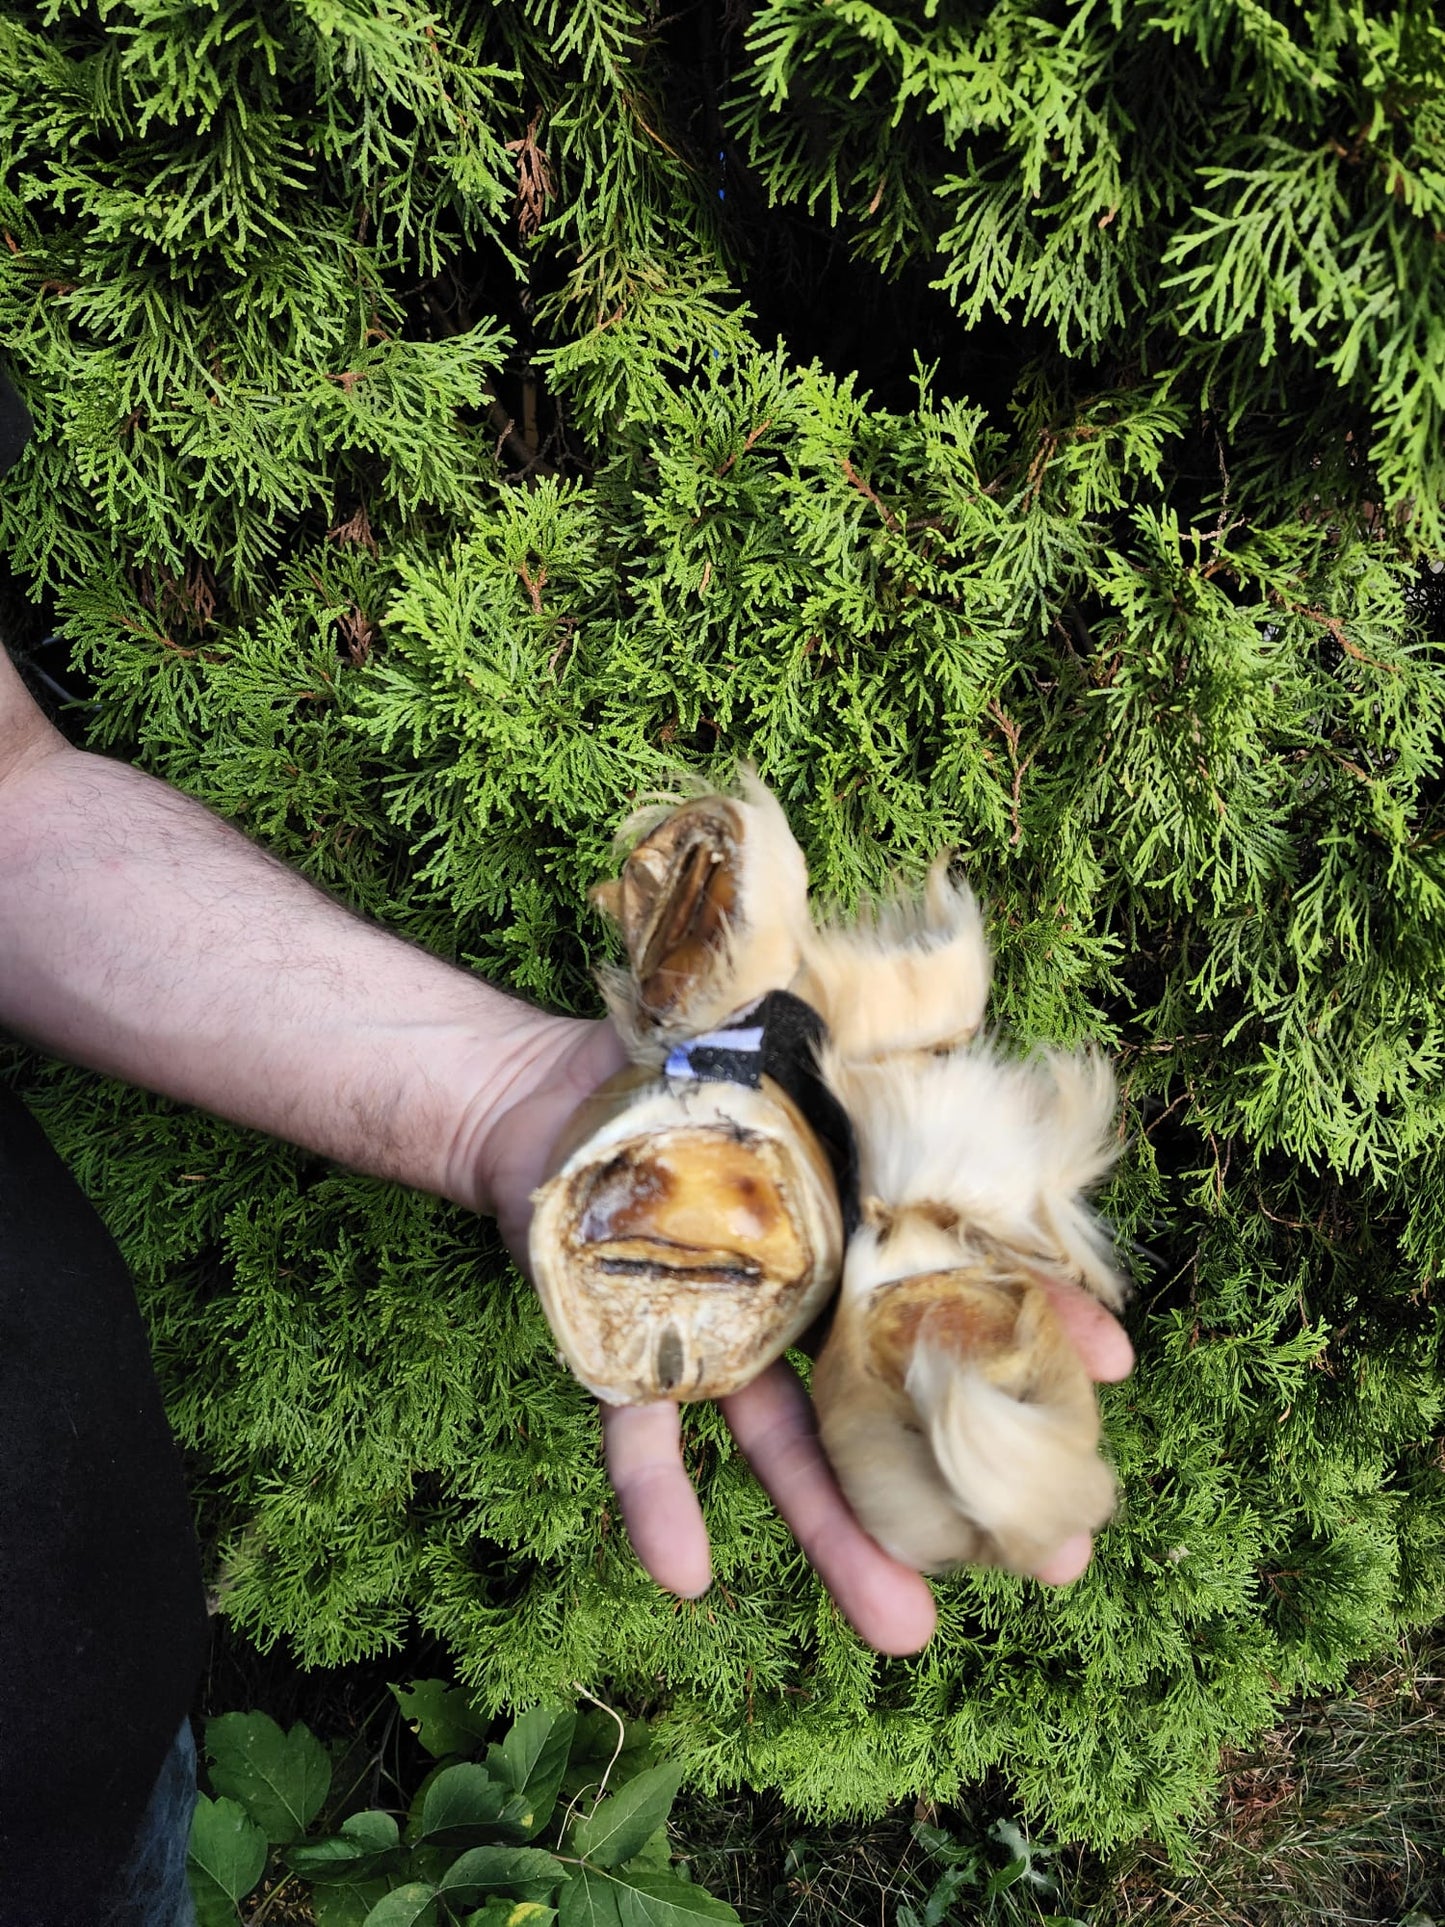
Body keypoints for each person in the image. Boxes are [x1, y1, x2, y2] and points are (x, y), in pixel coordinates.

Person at [0, 372, 1133, 1923]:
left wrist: (500, 1103)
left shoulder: (810, 1156)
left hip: (78, 1810)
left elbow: (7, 806)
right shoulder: (843, 1174)